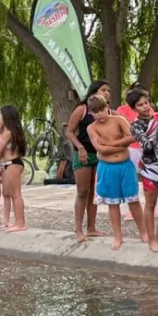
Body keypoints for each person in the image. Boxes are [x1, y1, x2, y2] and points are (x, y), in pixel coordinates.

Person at [87, 96, 147, 249]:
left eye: (101, 110)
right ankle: (118, 236)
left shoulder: (119, 120)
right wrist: (119, 146)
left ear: (107, 107)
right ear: (91, 113)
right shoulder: (92, 128)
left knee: (133, 200)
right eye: (95, 112)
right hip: (106, 166)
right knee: (112, 203)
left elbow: (133, 137)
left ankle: (143, 232)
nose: (100, 114)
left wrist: (111, 143)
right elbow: (101, 149)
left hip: (125, 165)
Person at [128, 90, 158, 253]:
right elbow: (147, 146)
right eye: (140, 105)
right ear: (134, 108)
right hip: (150, 168)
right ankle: (152, 239)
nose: (145, 107)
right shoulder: (135, 126)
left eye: (146, 103)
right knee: (151, 203)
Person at [66, 80, 112, 242]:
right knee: (83, 191)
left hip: (100, 155)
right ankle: (78, 229)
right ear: (94, 92)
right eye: (103, 89)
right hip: (83, 154)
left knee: (94, 192)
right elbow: (70, 132)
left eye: (108, 91)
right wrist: (80, 148)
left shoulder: (109, 112)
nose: (107, 93)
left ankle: (91, 228)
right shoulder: (82, 109)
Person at [0, 105, 28, 233]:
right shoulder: (14, 131)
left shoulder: (7, 133)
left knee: (16, 195)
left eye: (0, 115)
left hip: (12, 163)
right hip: (12, 163)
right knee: (13, 194)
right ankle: (17, 221)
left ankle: (20, 223)